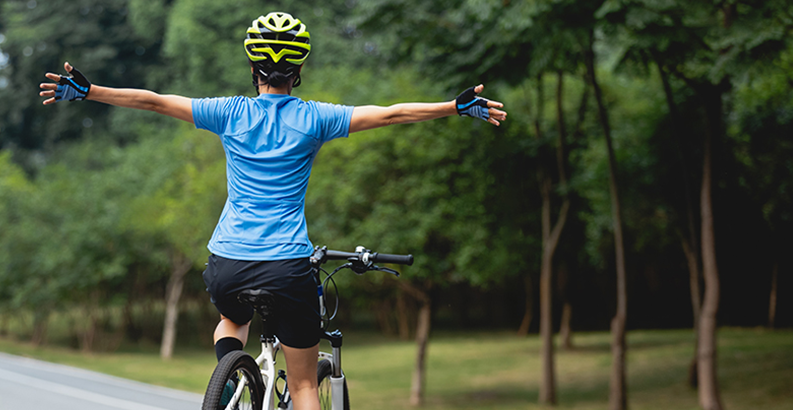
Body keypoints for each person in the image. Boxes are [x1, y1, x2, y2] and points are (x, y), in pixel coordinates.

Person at [39, 11, 506, 410]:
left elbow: (154, 101)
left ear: (252, 67)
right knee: (303, 382)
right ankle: (243, 379)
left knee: (232, 320)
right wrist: (455, 106)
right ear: (298, 70)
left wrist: (89, 90)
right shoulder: (318, 118)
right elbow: (391, 113)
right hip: (286, 265)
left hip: (228, 264)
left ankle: (228, 375)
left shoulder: (229, 113)